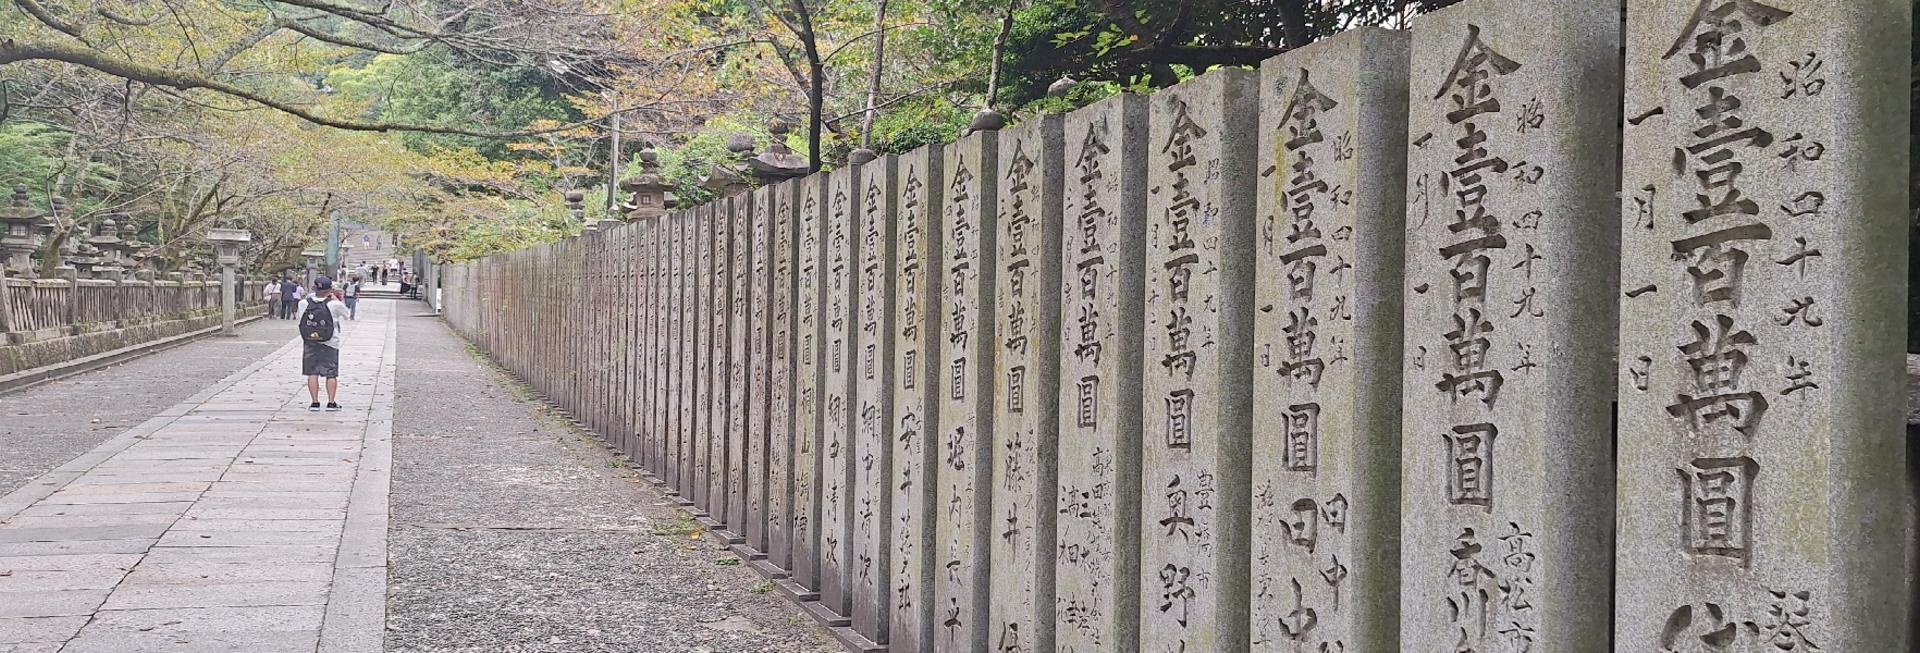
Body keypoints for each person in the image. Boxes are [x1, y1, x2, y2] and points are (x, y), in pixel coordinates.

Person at [297, 277, 350, 411]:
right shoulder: (334, 304)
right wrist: (336, 299)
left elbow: (301, 318)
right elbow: (347, 314)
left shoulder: (304, 303)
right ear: (330, 290)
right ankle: (331, 402)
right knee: (331, 373)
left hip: (310, 341)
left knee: (312, 372)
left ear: (314, 288)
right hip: (330, 341)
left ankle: (314, 402)